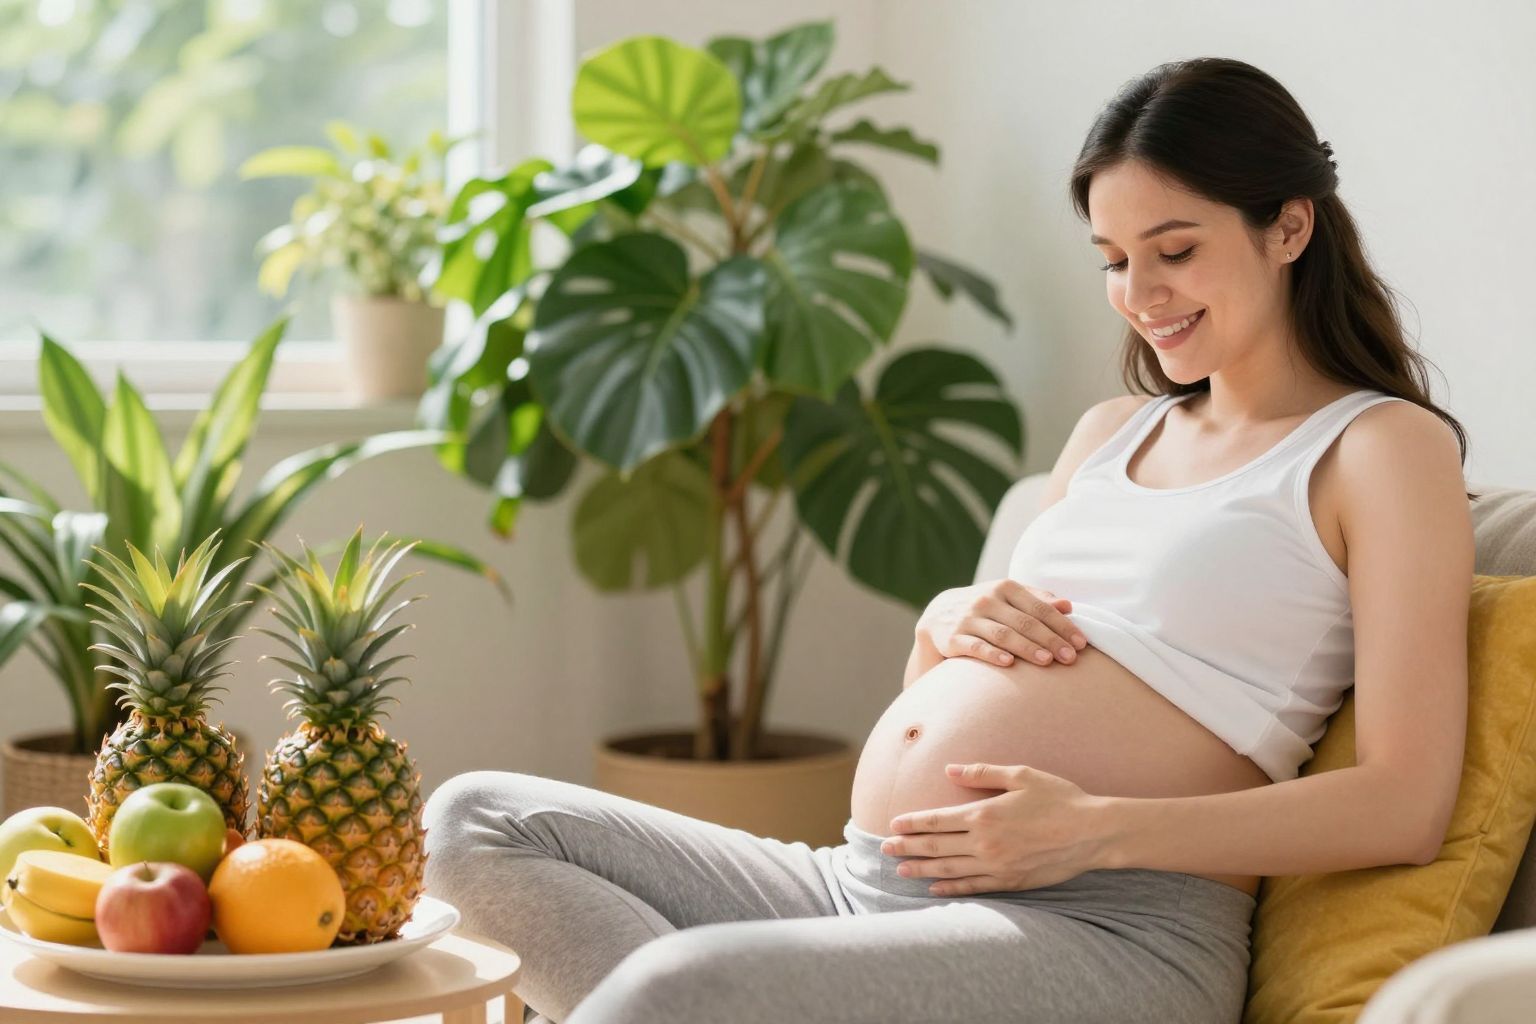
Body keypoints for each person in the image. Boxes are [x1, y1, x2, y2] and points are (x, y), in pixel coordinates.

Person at [421, 57, 1476, 1024]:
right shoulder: (1109, 435)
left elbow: (1403, 803)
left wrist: (1099, 827)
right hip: (862, 879)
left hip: (1107, 924)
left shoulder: (1379, 450)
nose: (1139, 295)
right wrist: (939, 627)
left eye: (1176, 250)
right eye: (1113, 258)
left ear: (1288, 227)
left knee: (681, 990)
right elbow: (958, 686)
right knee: (474, 823)